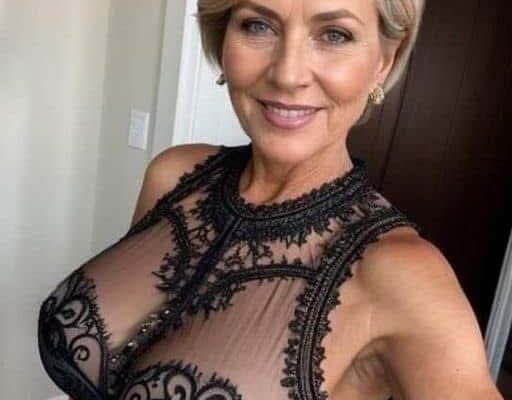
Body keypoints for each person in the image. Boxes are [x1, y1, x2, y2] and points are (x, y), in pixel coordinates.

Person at [37, 0, 504, 399]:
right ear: (223, 35)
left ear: (384, 60)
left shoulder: (403, 274)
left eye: (335, 34)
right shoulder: (173, 174)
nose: (287, 73)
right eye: (258, 25)